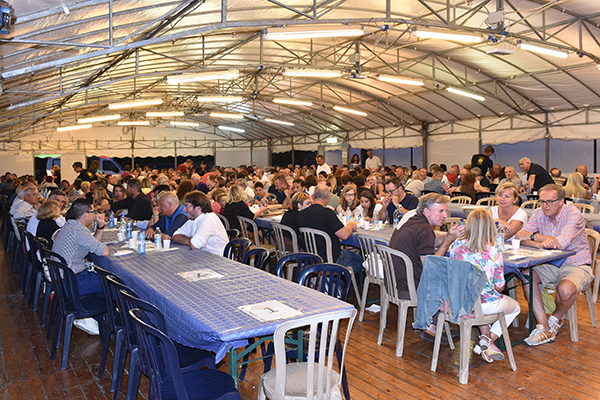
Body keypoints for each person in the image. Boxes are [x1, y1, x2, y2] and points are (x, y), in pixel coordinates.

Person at [514, 184, 592, 346]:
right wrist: (538, 241)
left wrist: (536, 237)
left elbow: (560, 243)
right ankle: (544, 326)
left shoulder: (573, 214)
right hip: (548, 264)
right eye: (542, 201)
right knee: (527, 274)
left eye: (549, 202)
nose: (545, 206)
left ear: (562, 201)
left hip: (576, 264)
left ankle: (556, 318)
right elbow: (520, 235)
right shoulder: (538, 213)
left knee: (565, 289)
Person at [389, 193, 464, 342]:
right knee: (450, 278)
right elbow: (431, 268)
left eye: (445, 211)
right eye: (440, 211)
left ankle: (436, 325)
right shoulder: (424, 229)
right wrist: (448, 240)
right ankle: (432, 328)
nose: (445, 215)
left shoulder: (412, 219)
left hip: (394, 281)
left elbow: (430, 240)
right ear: (427, 212)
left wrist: (448, 236)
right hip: (409, 287)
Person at [448, 209, 521, 362]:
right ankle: (487, 340)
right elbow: (499, 286)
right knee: (515, 307)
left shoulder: (456, 246)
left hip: (458, 301)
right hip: (484, 304)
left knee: (478, 298)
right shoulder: (494, 250)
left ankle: (485, 340)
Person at [52, 199, 109, 335]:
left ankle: (97, 318)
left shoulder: (70, 225)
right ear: (84, 214)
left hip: (64, 281)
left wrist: (100, 227)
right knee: (116, 284)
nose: (95, 214)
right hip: (74, 283)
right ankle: (115, 322)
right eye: (93, 211)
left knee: (104, 279)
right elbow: (104, 251)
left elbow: (92, 243)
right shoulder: (78, 230)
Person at [298, 185, 363, 274]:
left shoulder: (302, 213)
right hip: (330, 258)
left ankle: (332, 282)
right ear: (328, 198)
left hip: (311, 257)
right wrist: (351, 225)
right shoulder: (326, 213)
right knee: (362, 261)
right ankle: (337, 283)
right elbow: (343, 235)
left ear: (312, 196)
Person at [172, 191, 228, 255]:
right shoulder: (193, 219)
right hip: (204, 256)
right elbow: (175, 236)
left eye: (187, 206)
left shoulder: (209, 219)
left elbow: (194, 245)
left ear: (198, 208)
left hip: (219, 260)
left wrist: (190, 241)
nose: (184, 210)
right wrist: (189, 241)